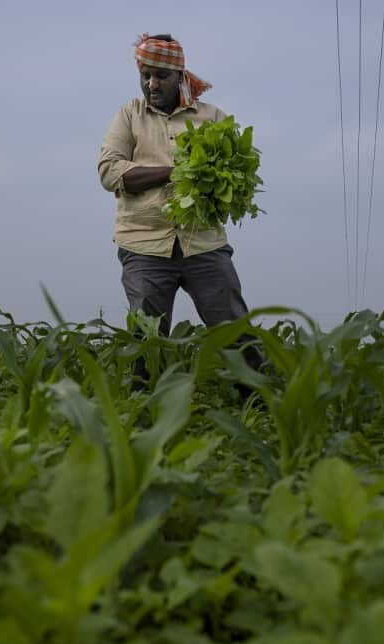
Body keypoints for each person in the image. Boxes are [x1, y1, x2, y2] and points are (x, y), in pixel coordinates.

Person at [96, 33, 261, 391]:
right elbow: (109, 172)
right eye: (145, 76)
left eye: (161, 76)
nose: (151, 84)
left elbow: (237, 169)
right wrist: (174, 173)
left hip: (204, 243)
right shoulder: (129, 116)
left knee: (234, 329)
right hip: (144, 246)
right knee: (147, 339)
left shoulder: (211, 116)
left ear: (180, 75)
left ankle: (258, 403)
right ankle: (144, 407)